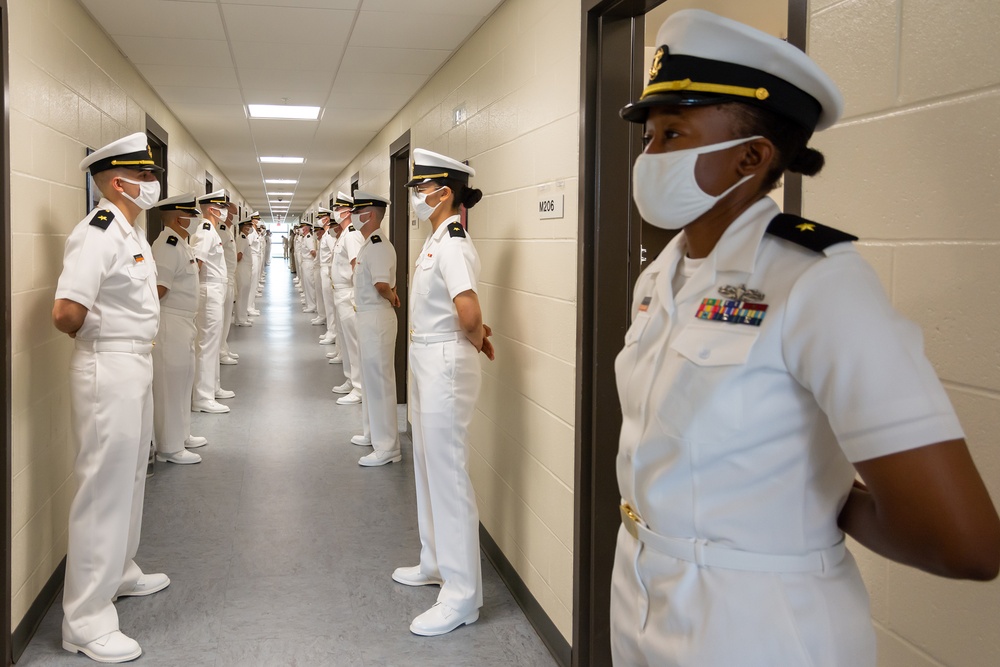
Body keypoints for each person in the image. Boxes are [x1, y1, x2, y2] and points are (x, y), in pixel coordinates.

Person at [610, 10, 1000, 667]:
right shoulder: (661, 273)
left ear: (752, 156)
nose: (648, 158)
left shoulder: (819, 284)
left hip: (759, 622)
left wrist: (827, 499)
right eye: (648, 138)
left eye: (671, 134)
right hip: (642, 593)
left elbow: (966, 541)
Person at [52, 132, 170, 663]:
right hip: (110, 365)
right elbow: (66, 313)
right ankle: (85, 622)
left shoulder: (130, 230)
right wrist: (101, 342)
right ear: (118, 181)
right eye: (145, 176)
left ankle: (119, 572)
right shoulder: (98, 231)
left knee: (130, 477)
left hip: (135, 361)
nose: (153, 183)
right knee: (103, 488)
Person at [392, 149, 496, 636]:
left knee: (448, 473)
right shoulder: (435, 237)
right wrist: (473, 334)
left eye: (421, 188)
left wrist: (475, 337)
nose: (416, 196)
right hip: (428, 356)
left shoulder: (452, 241)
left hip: (444, 364)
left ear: (443, 192)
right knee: (429, 465)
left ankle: (462, 596)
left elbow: (468, 312)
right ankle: (434, 560)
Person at [150, 193, 207, 465]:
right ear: (177, 218)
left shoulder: (181, 245)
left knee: (184, 381)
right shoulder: (168, 246)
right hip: (170, 321)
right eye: (191, 216)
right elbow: (158, 290)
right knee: (169, 386)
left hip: (184, 321)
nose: (195, 221)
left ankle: (182, 434)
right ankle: (169, 448)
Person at [351, 191, 401, 466]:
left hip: (377, 319)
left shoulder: (378, 244)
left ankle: (388, 447)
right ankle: (372, 433)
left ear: (368, 214)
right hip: (368, 317)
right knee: (371, 380)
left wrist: (392, 296)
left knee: (380, 382)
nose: (353, 216)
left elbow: (382, 285)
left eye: (357, 211)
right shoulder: (368, 244)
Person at [191, 190, 233, 413]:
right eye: (221, 207)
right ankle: (202, 397)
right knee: (207, 344)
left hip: (217, 289)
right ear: (211, 209)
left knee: (214, 343)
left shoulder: (213, 231)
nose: (225, 211)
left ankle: (213, 387)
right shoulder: (206, 231)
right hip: (209, 291)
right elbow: (197, 264)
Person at [331, 193, 364, 403]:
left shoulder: (351, 234)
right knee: (344, 339)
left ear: (345, 211)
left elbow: (356, 265)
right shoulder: (344, 234)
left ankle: (359, 388)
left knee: (353, 342)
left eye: (338, 209)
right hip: (340, 292)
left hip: (348, 293)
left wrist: (357, 295)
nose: (335, 212)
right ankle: (350, 380)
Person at [217, 202, 239, 366]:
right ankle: (221, 351)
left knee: (225, 318)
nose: (236, 215)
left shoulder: (227, 230)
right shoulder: (220, 231)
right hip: (222, 279)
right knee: (222, 318)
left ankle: (223, 346)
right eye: (234, 212)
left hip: (229, 278)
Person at [317, 209, 338, 344]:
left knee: (330, 304)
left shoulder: (330, 235)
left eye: (321, 217)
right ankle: (330, 330)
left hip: (328, 269)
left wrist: (331, 272)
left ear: (326, 219)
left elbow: (333, 252)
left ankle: (333, 332)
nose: (319, 220)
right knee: (327, 302)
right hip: (325, 268)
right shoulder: (326, 234)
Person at [234, 218, 254, 326]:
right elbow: (239, 255)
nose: (250, 228)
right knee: (242, 294)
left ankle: (243, 316)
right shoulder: (242, 238)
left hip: (246, 268)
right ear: (243, 227)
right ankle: (240, 320)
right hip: (242, 269)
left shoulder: (245, 238)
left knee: (245, 294)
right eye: (248, 226)